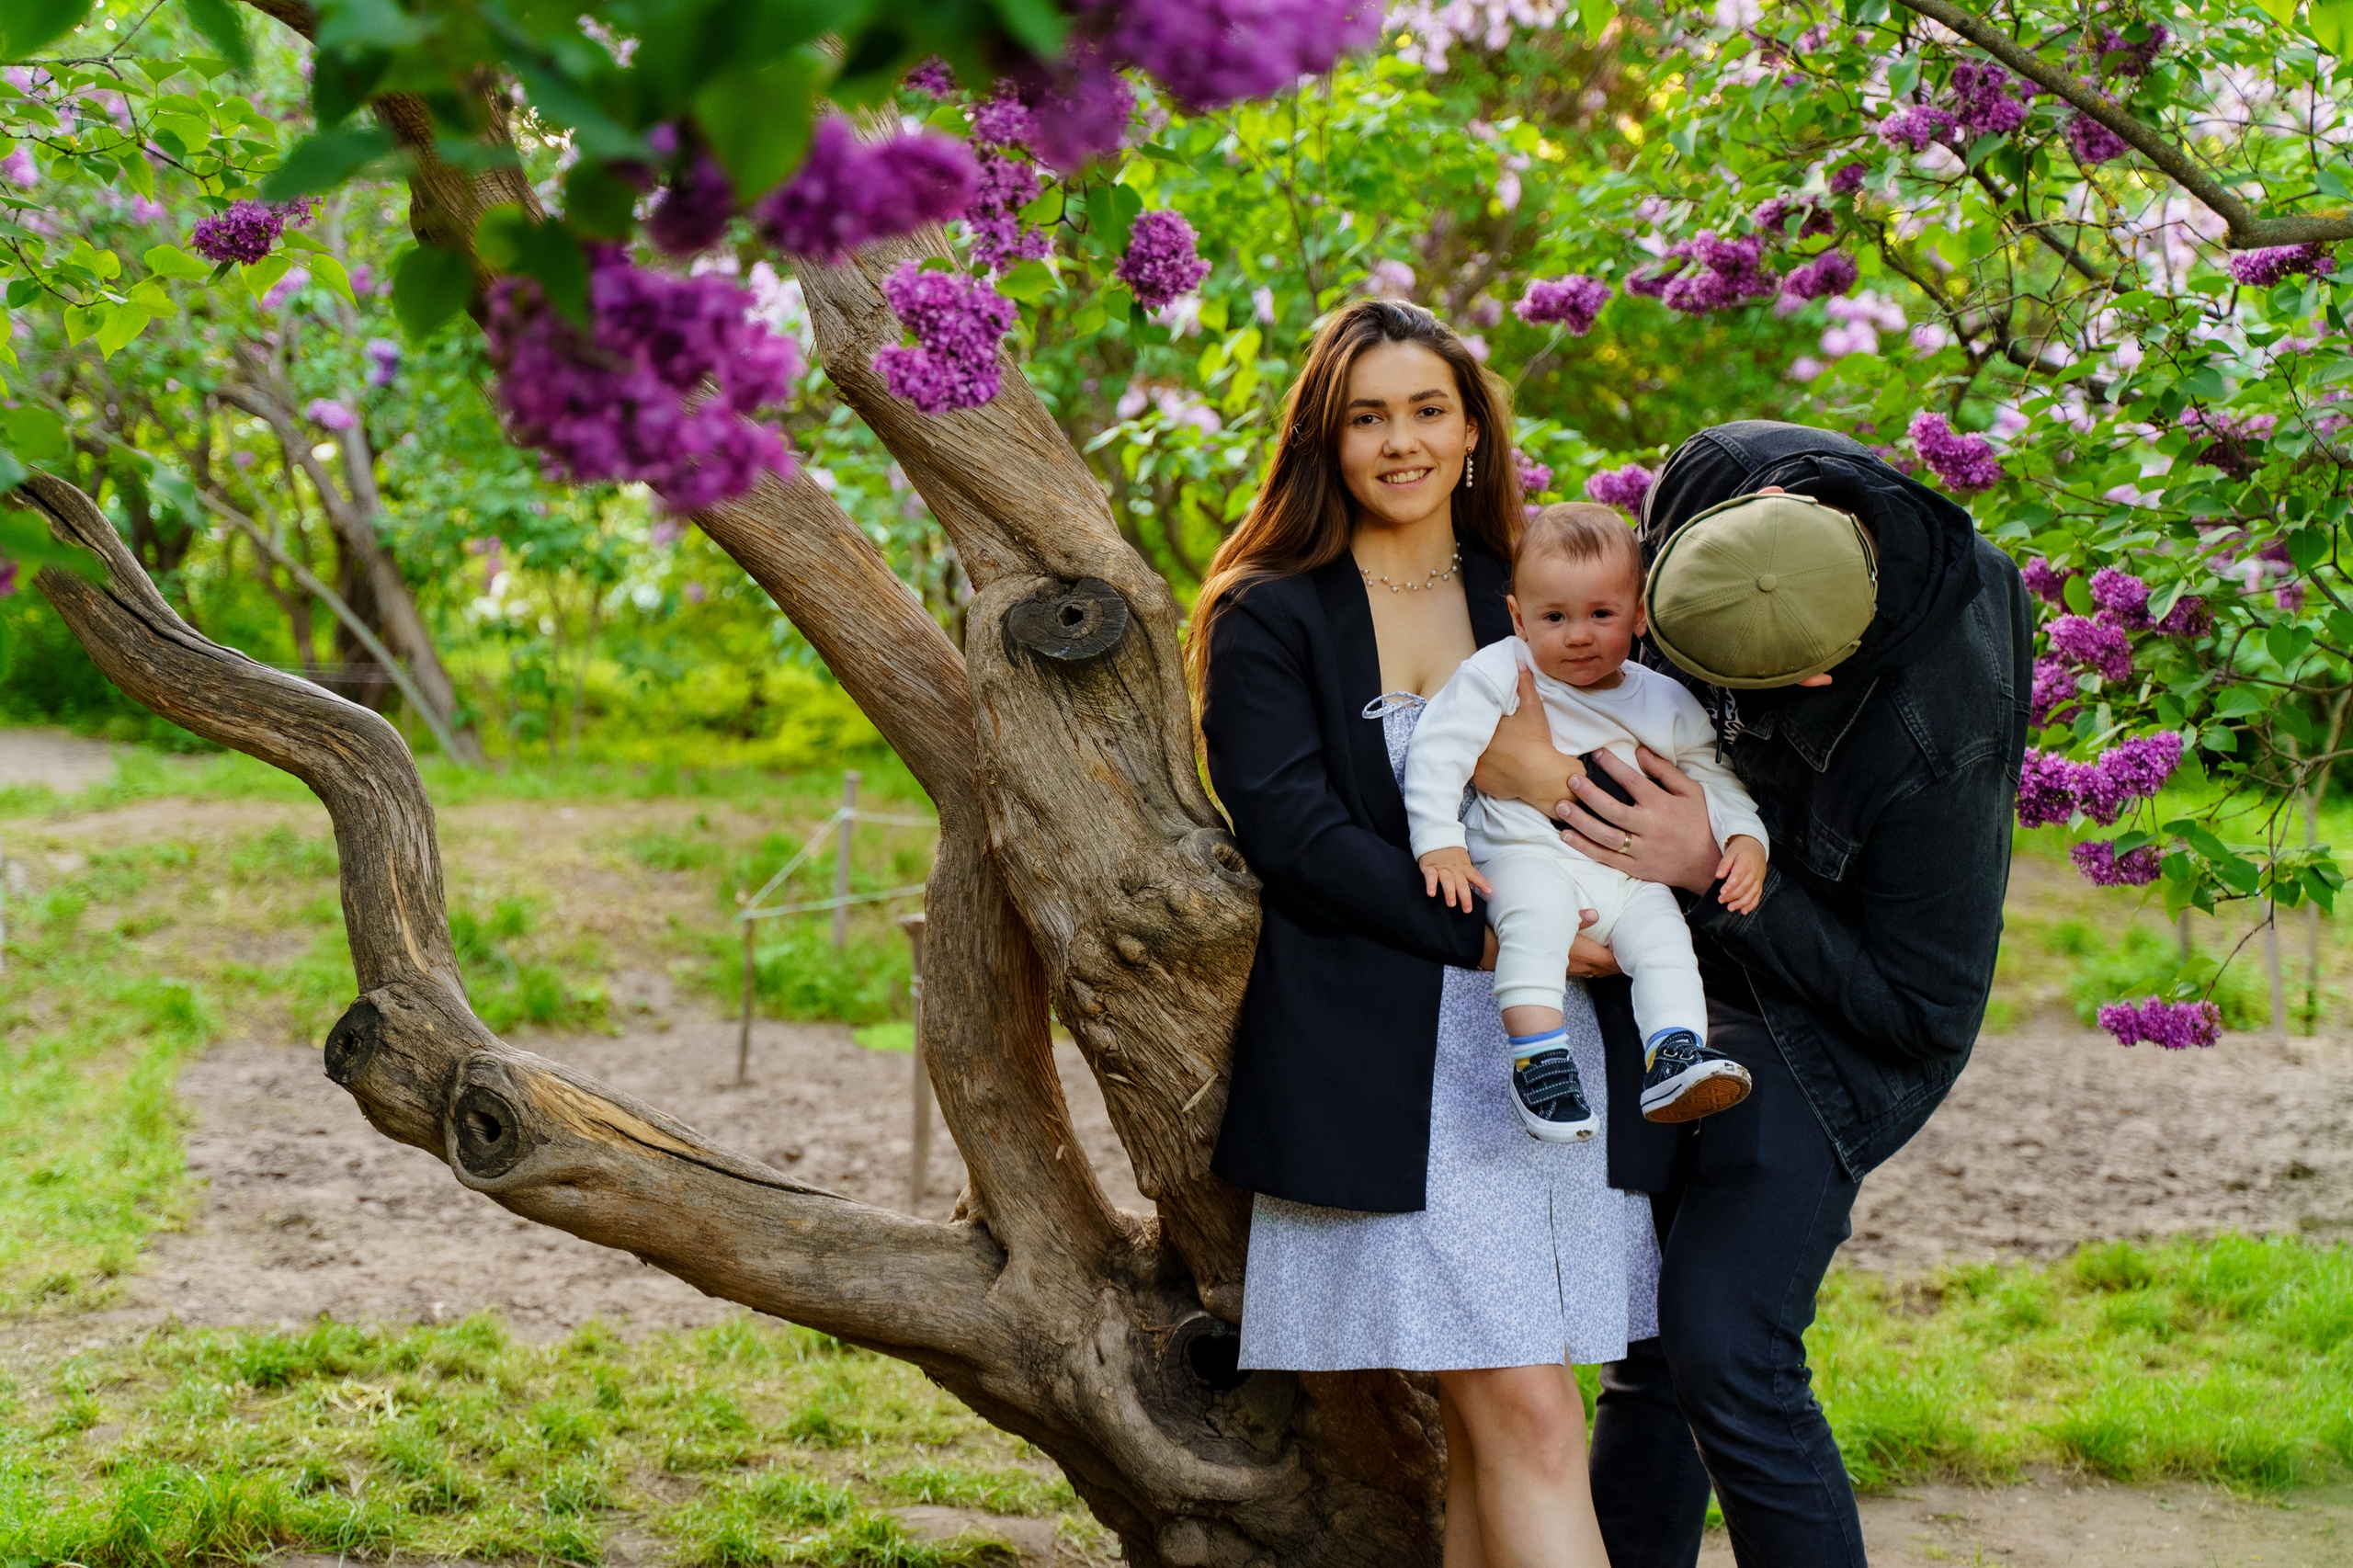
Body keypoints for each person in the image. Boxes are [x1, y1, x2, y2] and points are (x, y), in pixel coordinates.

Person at [1473, 423, 2031, 1567]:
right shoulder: (1724, 467)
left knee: (1727, 1341)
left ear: (1815, 678)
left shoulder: (1938, 734)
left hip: (1834, 1022)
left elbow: (1918, 1010)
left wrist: (1706, 870)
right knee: (1655, 1338)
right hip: (1669, 963)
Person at [1194, 299, 1657, 1568]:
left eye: (1427, 410)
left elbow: (1646, 760)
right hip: (1396, 1054)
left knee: (1493, 1422)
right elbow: (1295, 837)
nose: (1400, 440)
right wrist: (1513, 931)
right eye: (1367, 416)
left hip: (1558, 1045)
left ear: (1471, 430)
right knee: (1529, 1410)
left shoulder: (1544, 593)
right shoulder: (1271, 614)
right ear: (1325, 440)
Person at [1404, 502, 1772, 1142]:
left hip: (1626, 878)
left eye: (1601, 615)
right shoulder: (1502, 672)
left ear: (1637, 616)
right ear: (1518, 617)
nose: (1578, 635)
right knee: (1536, 919)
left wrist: (1746, 838)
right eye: (1554, 617)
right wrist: (1440, 843)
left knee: (1663, 942)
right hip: (1526, 854)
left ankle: (1675, 1054)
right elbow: (1439, 749)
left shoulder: (1664, 699)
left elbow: (1712, 778)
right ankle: (1539, 1060)